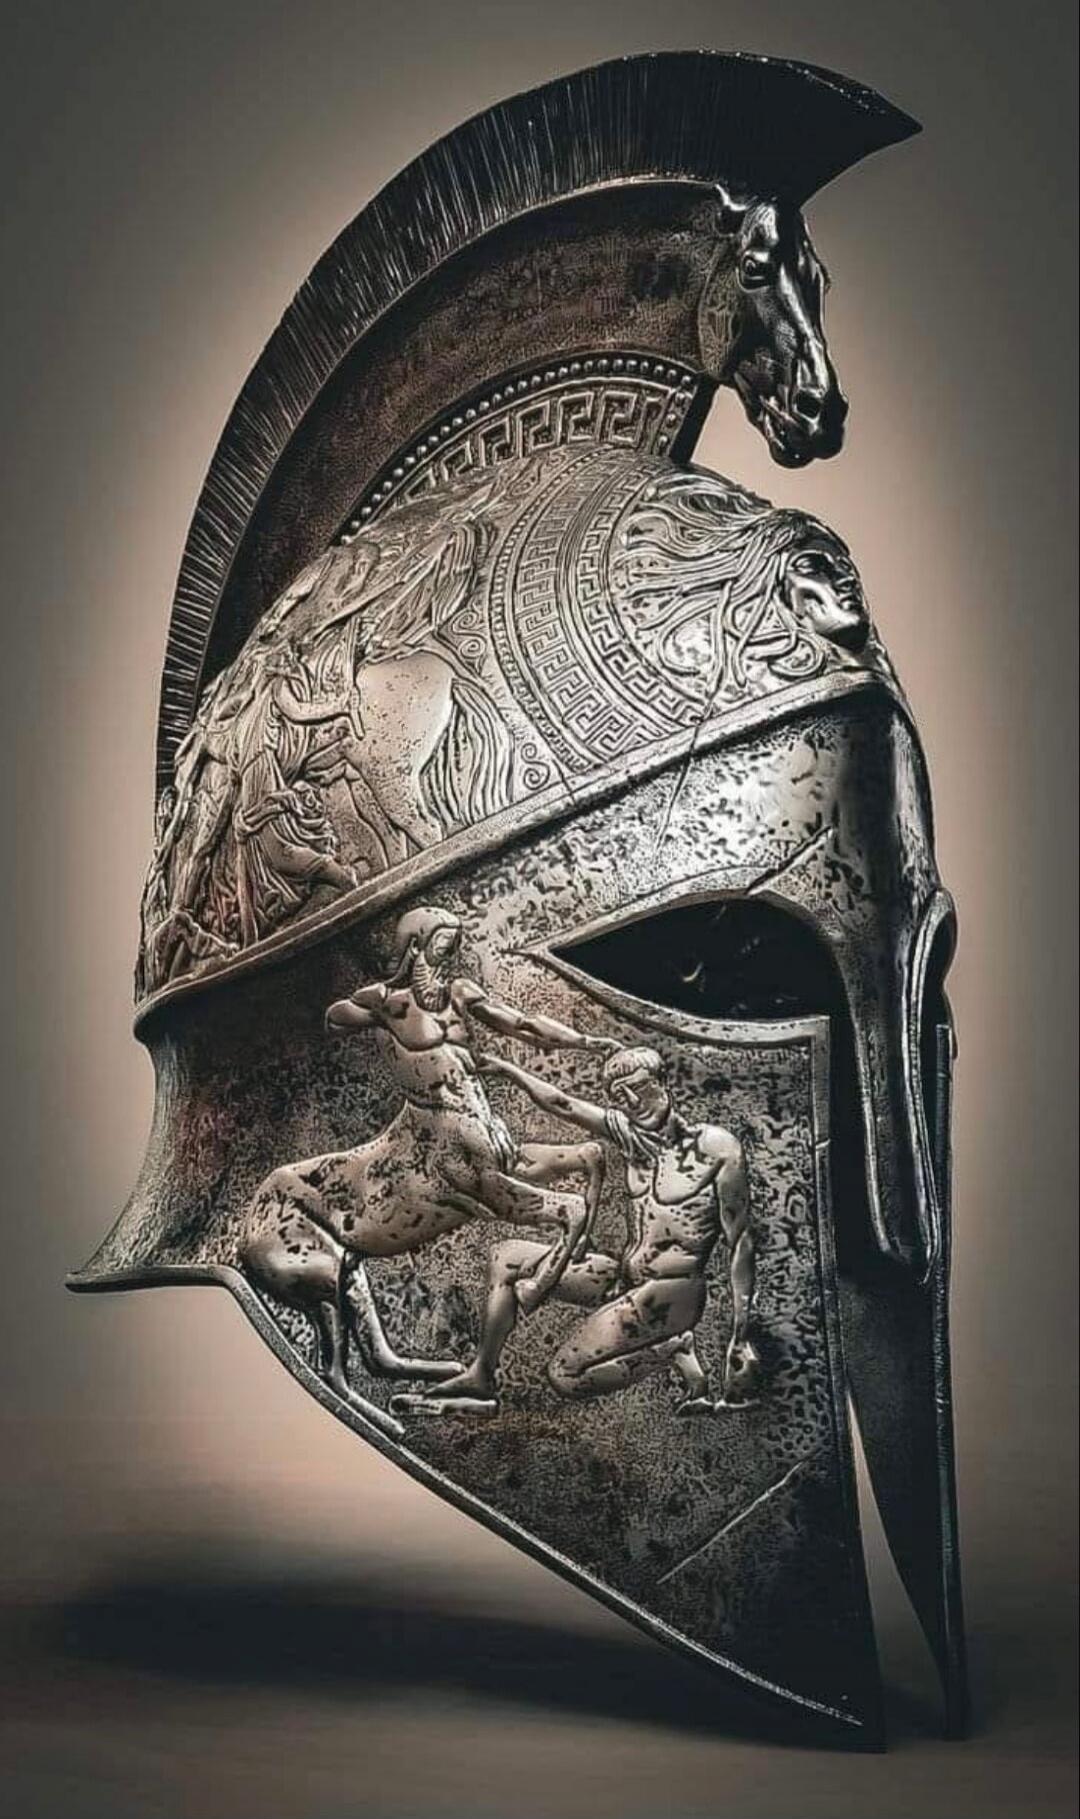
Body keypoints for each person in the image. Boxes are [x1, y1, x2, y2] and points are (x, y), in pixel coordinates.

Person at [428, 1044, 760, 1414]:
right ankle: (481, 1374)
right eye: (620, 1096)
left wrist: (740, 1334)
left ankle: (669, 1349)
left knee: (565, 1375)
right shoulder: (631, 1137)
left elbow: (741, 1242)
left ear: (663, 1081)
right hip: (626, 1278)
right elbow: (562, 1104)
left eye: (640, 1087)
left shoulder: (716, 1148)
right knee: (505, 1258)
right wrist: (506, 1068)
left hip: (673, 1293)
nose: (632, 1101)